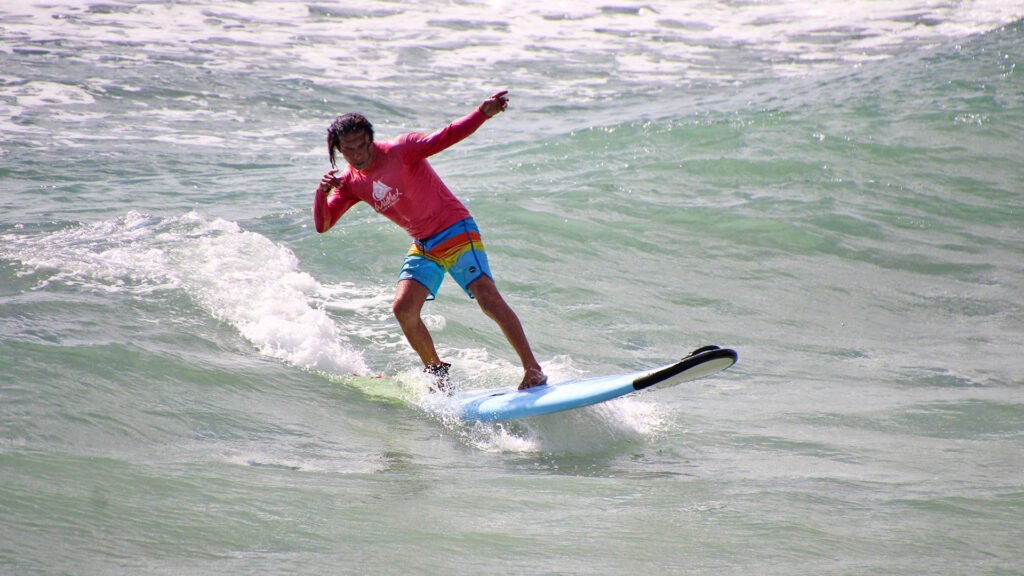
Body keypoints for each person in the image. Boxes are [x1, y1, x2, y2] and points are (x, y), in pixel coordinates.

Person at [313, 90, 547, 391]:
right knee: (403, 309)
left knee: (487, 299)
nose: (358, 154)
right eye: (349, 149)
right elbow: (324, 224)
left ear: (371, 139)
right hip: (424, 243)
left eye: (362, 145)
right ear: (338, 150)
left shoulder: (401, 149)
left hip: (455, 230)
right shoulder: (350, 184)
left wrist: (482, 113)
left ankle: (533, 369)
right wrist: (322, 193)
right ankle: (438, 376)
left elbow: (445, 136)